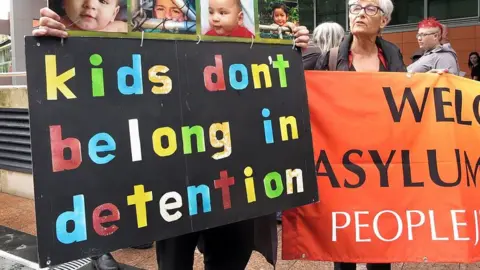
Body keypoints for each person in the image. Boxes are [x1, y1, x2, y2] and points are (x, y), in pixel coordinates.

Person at [33, 7, 310, 270]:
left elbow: (279, 94)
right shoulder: (144, 28)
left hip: (236, 183)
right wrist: (61, 47)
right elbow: (105, 77)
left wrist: (293, 49)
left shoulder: (251, 37)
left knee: (232, 257)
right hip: (174, 185)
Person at [314, 0, 404, 269]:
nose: (360, 14)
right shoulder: (330, 58)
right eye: (355, 7)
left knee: (381, 238)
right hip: (342, 166)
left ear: (384, 21)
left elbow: (407, 96)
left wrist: (434, 83)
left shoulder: (393, 55)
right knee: (344, 241)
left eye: (370, 9)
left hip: (382, 164)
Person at [59, 0, 127, 32]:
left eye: (103, 1)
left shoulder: (121, 29)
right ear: (64, 2)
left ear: (114, 14)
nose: (91, 5)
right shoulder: (55, 26)